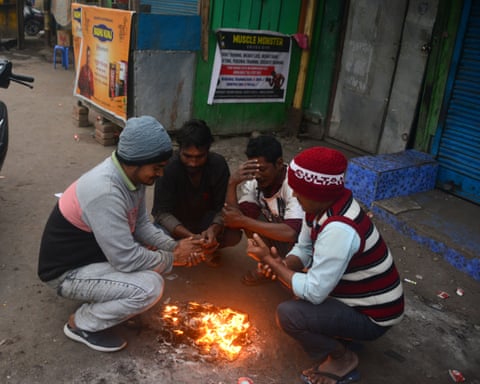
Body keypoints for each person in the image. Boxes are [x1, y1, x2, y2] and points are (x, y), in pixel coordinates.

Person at [38, 116, 205, 353]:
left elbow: (141, 225)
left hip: (93, 257)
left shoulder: (132, 177)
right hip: (65, 274)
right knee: (150, 286)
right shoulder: (105, 191)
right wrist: (174, 258)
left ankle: (108, 298)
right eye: (156, 168)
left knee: (152, 257)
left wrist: (174, 246)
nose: (160, 174)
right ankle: (80, 324)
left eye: (162, 167)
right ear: (135, 162)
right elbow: (126, 259)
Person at [246, 146, 404, 384]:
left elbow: (314, 292)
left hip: (374, 315)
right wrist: (283, 263)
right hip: (356, 298)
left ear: (318, 193)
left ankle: (343, 359)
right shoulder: (321, 208)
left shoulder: (339, 228)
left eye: (299, 192)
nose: (295, 197)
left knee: (290, 314)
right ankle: (343, 333)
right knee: (293, 287)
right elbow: (304, 248)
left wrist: (270, 262)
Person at [151, 119, 236, 267]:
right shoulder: (169, 167)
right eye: (187, 156)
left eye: (199, 156)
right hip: (176, 225)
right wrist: (191, 237)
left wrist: (213, 230)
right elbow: (161, 213)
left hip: (205, 223)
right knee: (155, 237)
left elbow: (223, 207)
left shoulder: (218, 165)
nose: (193, 163)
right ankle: (191, 250)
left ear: (208, 150)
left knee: (233, 235)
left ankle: (205, 247)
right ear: (180, 150)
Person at [223, 134, 303, 285]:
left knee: (247, 221)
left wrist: (243, 220)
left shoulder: (292, 184)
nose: (257, 175)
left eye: (263, 169)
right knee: (246, 217)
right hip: (280, 240)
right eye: (254, 169)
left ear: (279, 163)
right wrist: (232, 183)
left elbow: (292, 233)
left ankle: (284, 270)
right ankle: (269, 266)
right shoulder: (256, 183)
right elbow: (233, 219)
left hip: (303, 246)